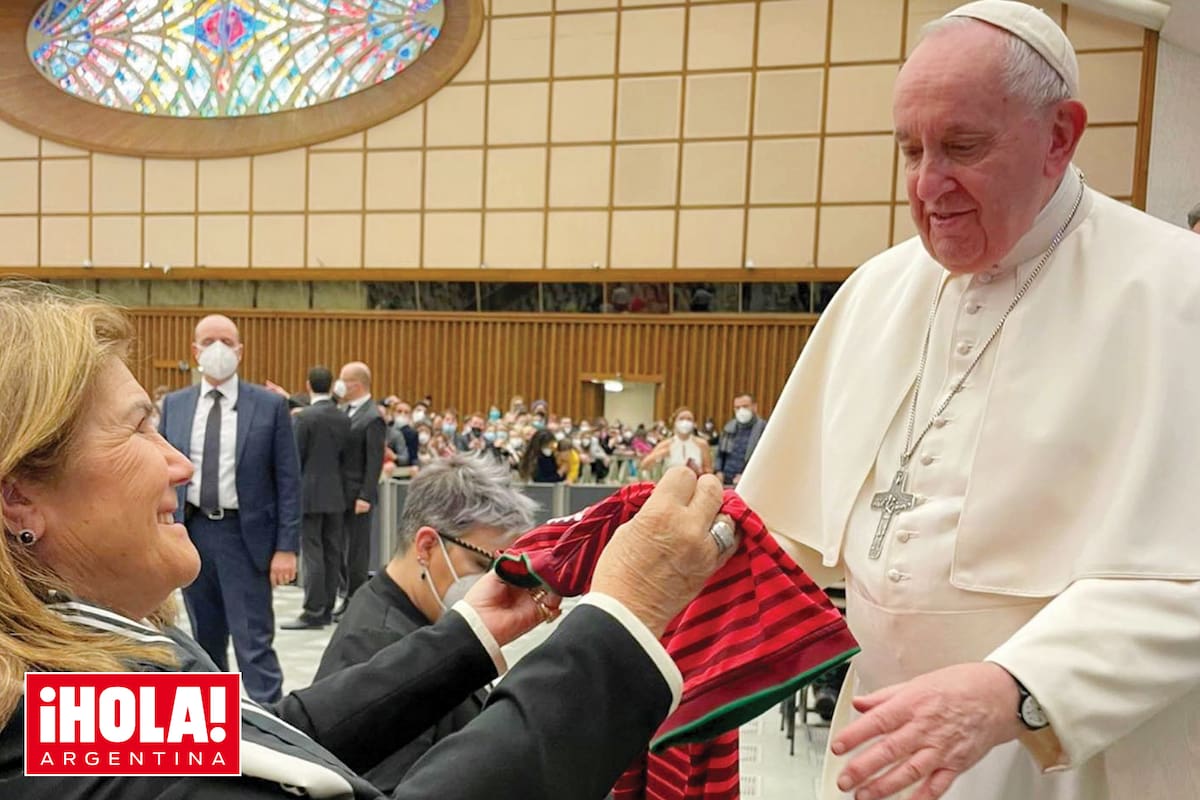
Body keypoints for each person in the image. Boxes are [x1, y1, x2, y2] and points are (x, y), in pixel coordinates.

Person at [0, 280, 740, 799]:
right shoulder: (46, 745)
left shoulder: (61, 674)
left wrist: (472, 636)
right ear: (18, 492)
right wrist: (621, 617)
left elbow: (273, 741)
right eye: (138, 428)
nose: (180, 463)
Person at [737, 4, 1200, 799]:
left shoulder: (1176, 293)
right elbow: (782, 526)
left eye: (963, 147)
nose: (927, 185)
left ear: (1060, 136)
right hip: (883, 746)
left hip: (1076, 758)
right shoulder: (878, 290)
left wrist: (1011, 690)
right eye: (910, 150)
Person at [314, 455, 536, 792]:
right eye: (482, 563)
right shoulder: (376, 644)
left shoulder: (426, 620)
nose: (496, 583)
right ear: (428, 545)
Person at [159, 313, 300, 704]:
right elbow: (161, 473)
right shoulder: (175, 405)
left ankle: (270, 723)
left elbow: (288, 481)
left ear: (240, 350)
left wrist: (287, 547)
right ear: (194, 350)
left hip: (245, 537)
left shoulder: (269, 406)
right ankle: (216, 727)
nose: (217, 348)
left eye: (225, 340)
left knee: (253, 641)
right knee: (204, 641)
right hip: (192, 533)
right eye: (208, 341)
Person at [282, 366, 351, 630]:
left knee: (313, 553)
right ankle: (327, 608)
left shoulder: (305, 418)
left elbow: (294, 458)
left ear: (309, 385)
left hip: (309, 494)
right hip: (337, 494)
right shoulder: (343, 417)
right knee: (332, 552)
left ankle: (313, 610)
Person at [334, 361, 386, 620]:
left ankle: (355, 599)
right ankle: (345, 594)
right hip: (340, 493)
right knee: (341, 548)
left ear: (356, 384)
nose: (340, 384)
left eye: (344, 379)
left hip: (358, 495)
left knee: (356, 551)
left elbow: (374, 460)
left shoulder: (373, 417)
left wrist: (366, 495)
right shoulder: (345, 411)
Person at [640, 407, 713, 476]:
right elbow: (644, 465)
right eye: (681, 419)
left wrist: (699, 471)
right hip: (670, 485)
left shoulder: (702, 444)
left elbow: (709, 471)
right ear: (675, 422)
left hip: (695, 484)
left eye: (689, 419)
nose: (685, 422)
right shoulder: (665, 444)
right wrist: (661, 453)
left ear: (694, 424)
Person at [714, 393, 766, 485]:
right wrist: (718, 472)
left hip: (750, 481)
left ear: (754, 407)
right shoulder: (728, 428)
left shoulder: (764, 429)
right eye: (737, 408)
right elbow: (720, 454)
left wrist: (746, 476)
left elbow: (765, 460)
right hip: (726, 481)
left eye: (745, 406)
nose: (741, 410)